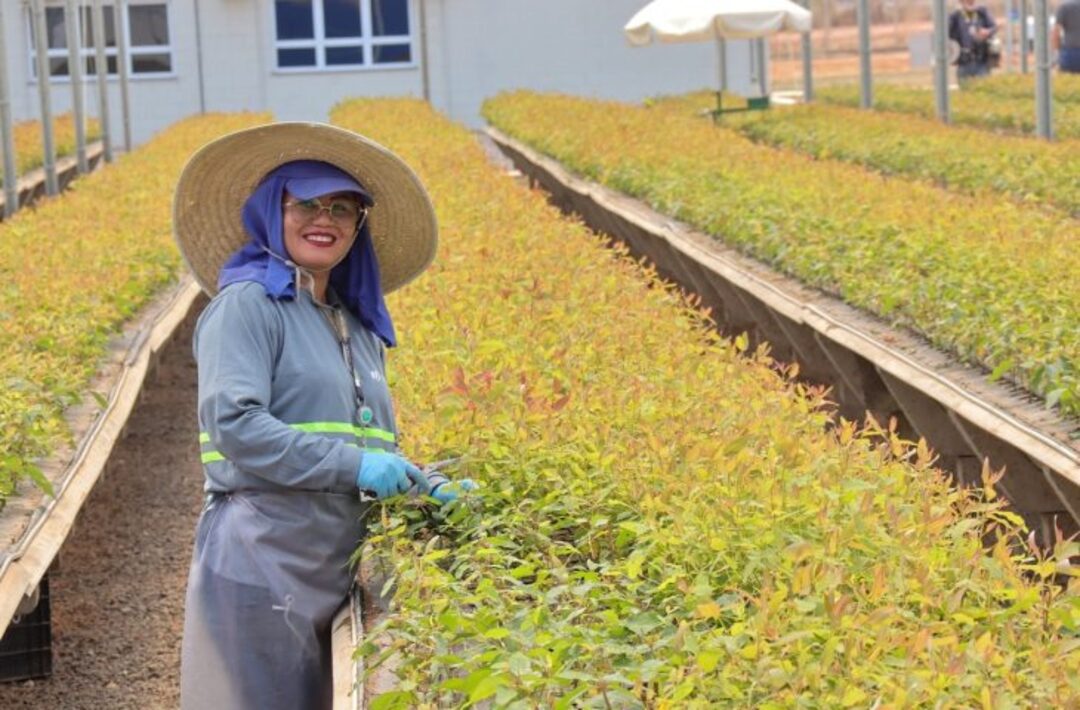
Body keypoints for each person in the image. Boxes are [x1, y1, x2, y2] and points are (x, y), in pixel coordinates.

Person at [171, 122, 476, 710]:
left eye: (343, 208)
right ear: (270, 209)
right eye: (306, 202)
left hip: (334, 563)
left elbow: (363, 445)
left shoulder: (354, 324)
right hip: (262, 562)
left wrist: (424, 484)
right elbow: (235, 430)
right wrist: (357, 464)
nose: (325, 218)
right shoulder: (247, 308)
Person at [949, 0, 998, 80]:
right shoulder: (956, 16)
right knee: (965, 90)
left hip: (981, 61)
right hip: (964, 62)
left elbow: (994, 27)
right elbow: (946, 31)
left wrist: (987, 32)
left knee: (983, 88)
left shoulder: (982, 12)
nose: (970, 2)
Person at [1055, 0, 1080, 73]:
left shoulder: (1064, 6)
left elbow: (1056, 32)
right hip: (1070, 52)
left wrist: (1058, 51)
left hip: (1070, 52)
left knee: (1068, 82)